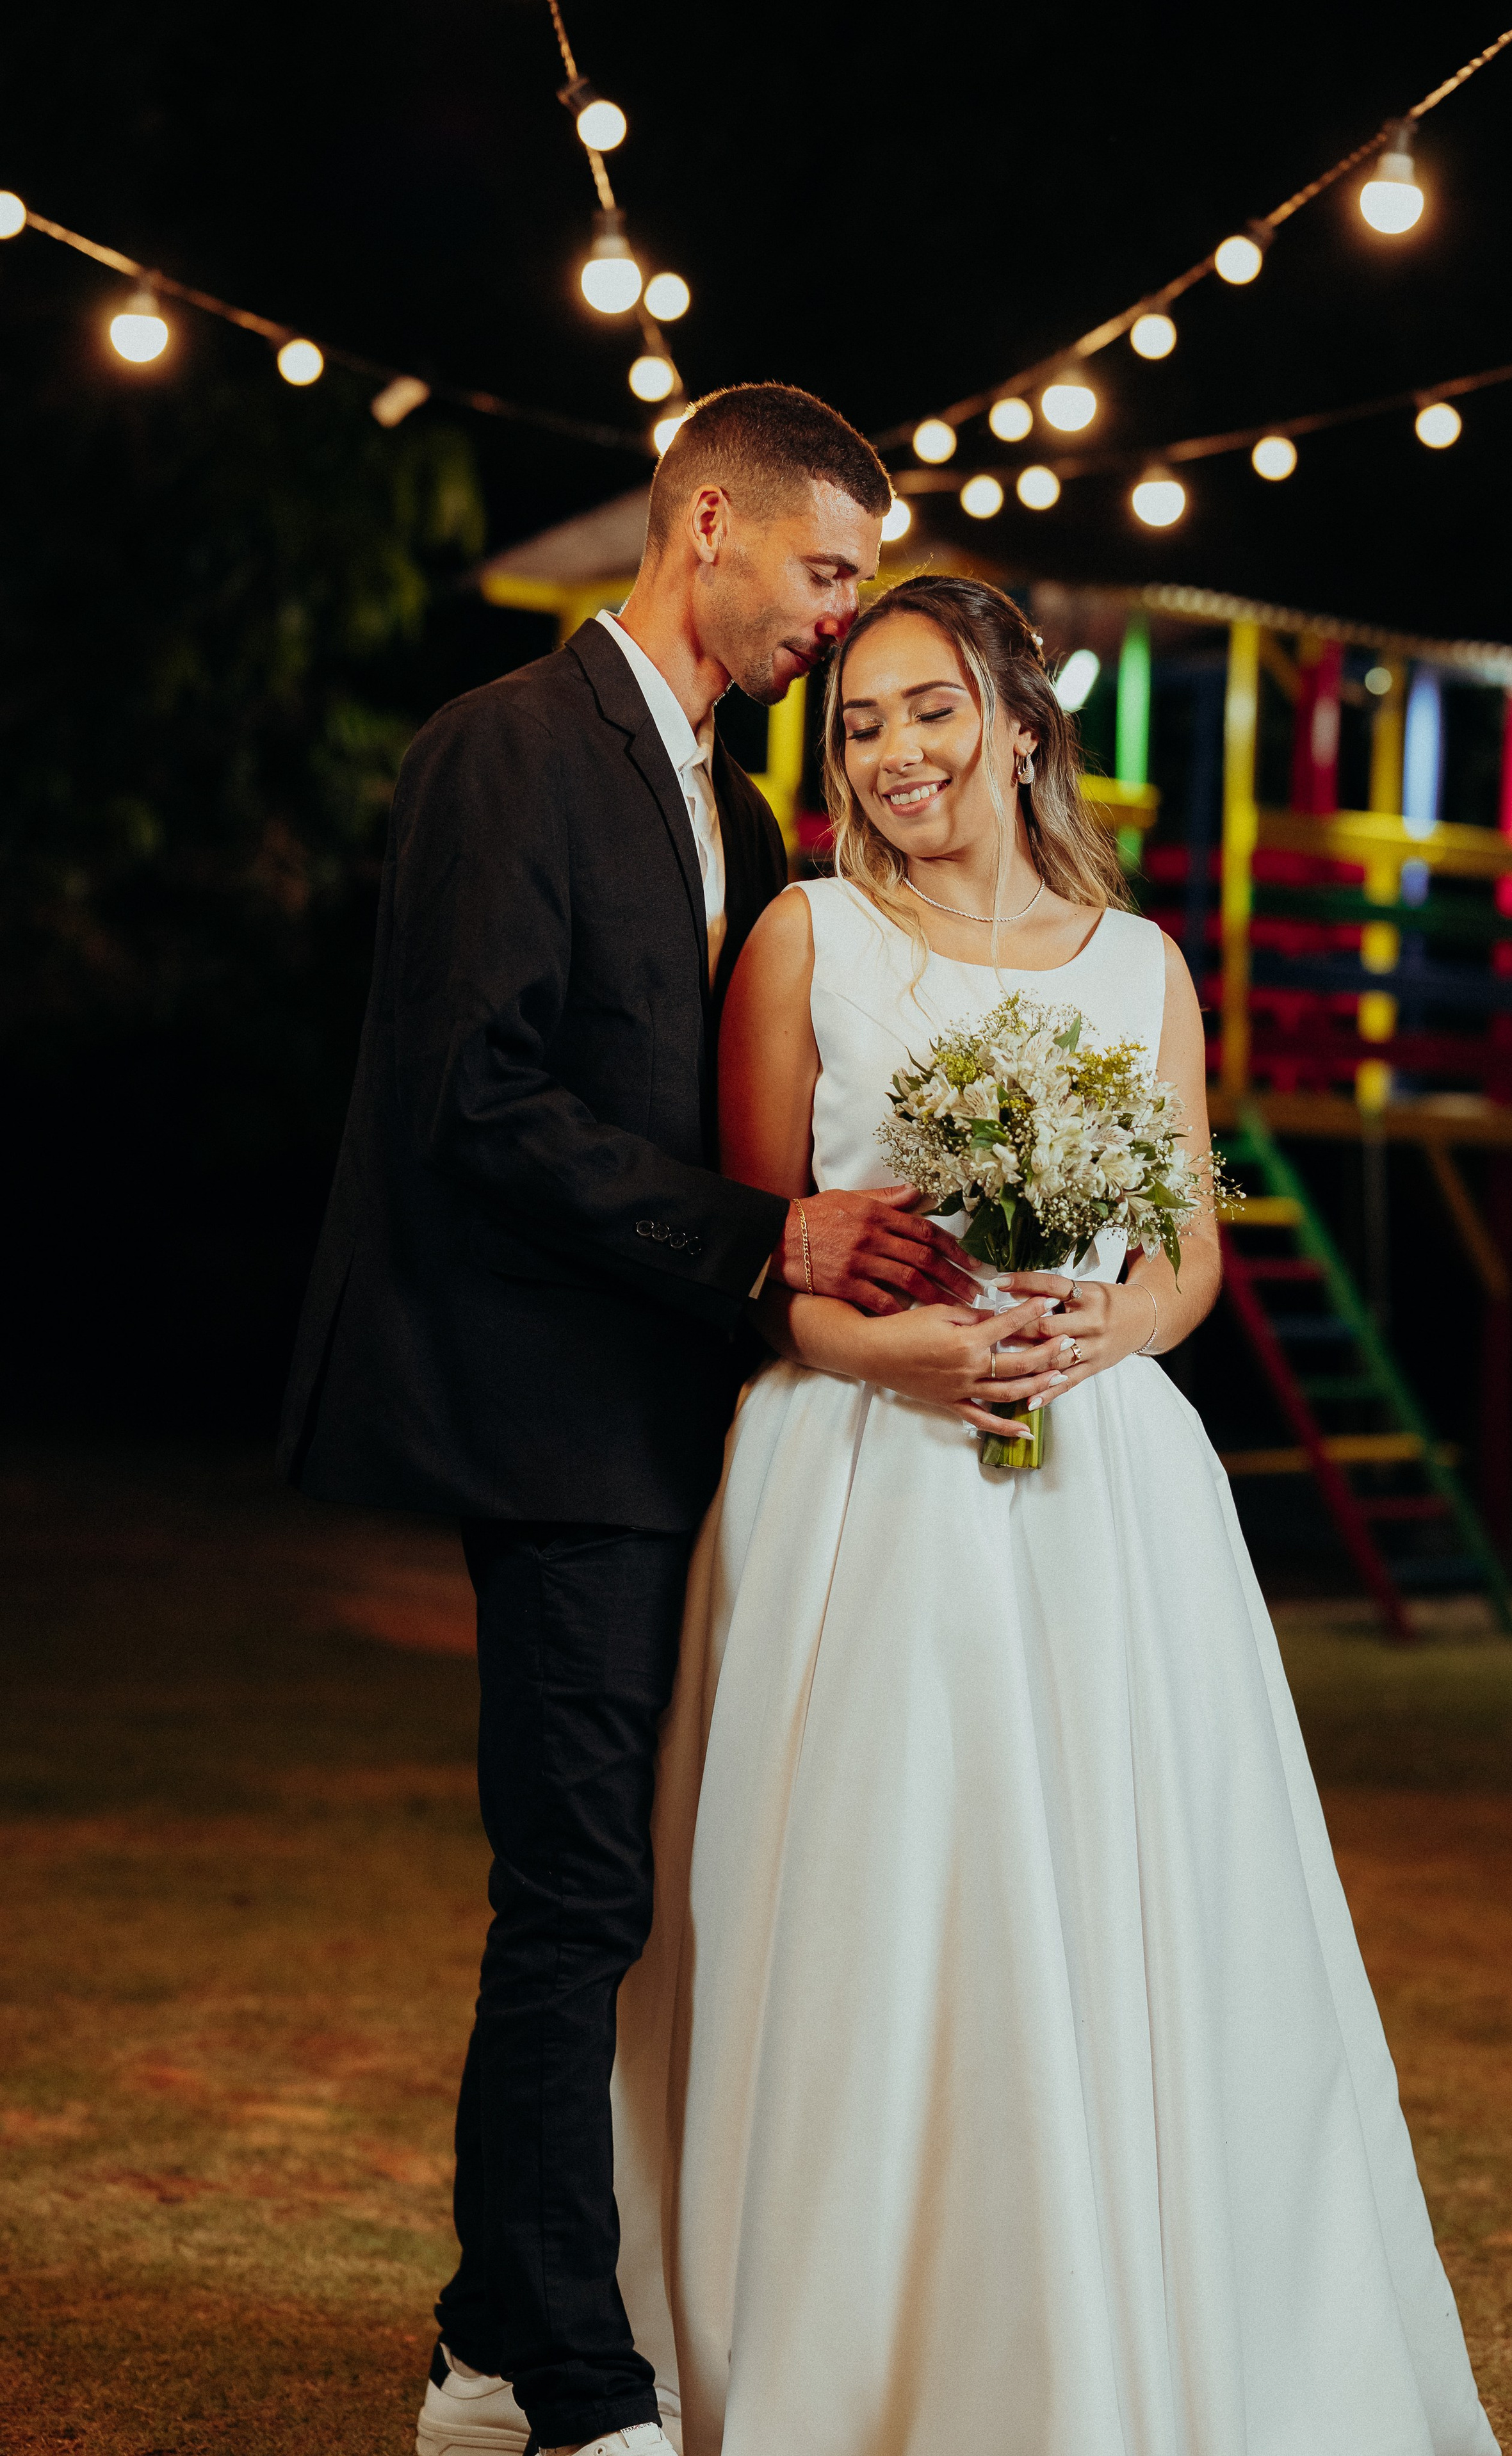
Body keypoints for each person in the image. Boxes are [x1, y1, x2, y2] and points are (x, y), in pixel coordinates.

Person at [608, 574, 1501, 2456]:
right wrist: (893, 1353)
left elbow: (1188, 1241)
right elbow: (760, 1256)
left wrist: (1118, 1322)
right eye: (856, 722)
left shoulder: (1140, 962)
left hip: (1107, 1497)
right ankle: (845, 2338)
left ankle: (1129, 2324)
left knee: (1122, 1906)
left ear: (1020, 722)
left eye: (929, 710)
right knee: (884, 1901)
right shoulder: (805, 938)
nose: (894, 752)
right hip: (861, 1483)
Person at [277, 389, 1009, 2456]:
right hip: (551, 1421)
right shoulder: (507, 746)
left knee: (641, 1887)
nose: (843, 616)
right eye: (830, 569)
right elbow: (479, 1103)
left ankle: (490, 2344)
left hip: (693, 1427)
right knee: (579, 1894)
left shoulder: (737, 803)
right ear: (709, 525)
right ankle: (583, 2388)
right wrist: (771, 1237)